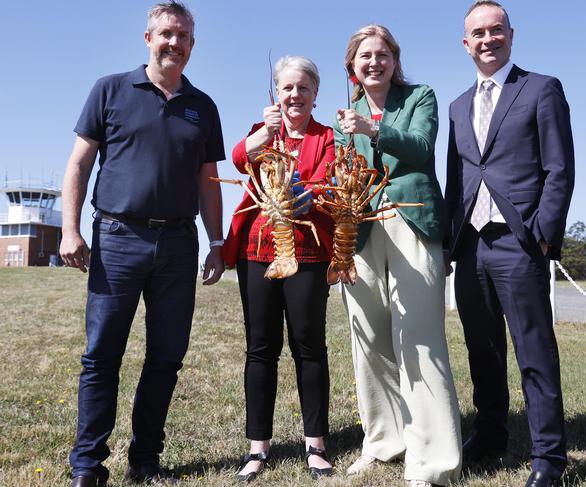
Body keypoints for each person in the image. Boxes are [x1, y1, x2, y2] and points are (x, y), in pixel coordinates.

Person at [59, 2, 226, 486]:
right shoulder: (110, 89)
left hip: (178, 244)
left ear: (193, 46)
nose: (175, 43)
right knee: (102, 354)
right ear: (148, 37)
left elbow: (208, 180)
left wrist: (215, 242)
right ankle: (88, 465)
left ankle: (146, 459)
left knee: (167, 356)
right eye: (167, 34)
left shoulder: (203, 106)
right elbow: (78, 164)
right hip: (117, 238)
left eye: (184, 37)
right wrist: (70, 230)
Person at [445, 2, 575, 486]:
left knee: (534, 351)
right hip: (470, 246)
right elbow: (454, 179)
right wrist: (447, 245)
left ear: (511, 34)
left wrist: (542, 235)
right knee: (483, 350)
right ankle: (491, 436)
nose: (487, 39)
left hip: (521, 244)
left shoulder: (541, 89)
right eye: (477, 33)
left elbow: (559, 169)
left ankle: (549, 458)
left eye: (495, 30)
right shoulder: (458, 106)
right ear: (465, 44)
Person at [335, 25, 462, 487]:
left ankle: (432, 460)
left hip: (413, 222)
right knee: (368, 341)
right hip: (362, 231)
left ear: (394, 59)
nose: (374, 62)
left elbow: (422, 147)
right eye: (365, 55)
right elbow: (342, 171)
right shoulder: (342, 115)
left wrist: (374, 129)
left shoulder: (419, 97)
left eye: (382, 54)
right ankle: (384, 442)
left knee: (419, 339)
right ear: (352, 65)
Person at [223, 55, 335, 482]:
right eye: (287, 88)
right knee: (260, 347)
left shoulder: (325, 137)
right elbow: (237, 158)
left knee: (309, 346)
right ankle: (258, 448)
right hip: (257, 251)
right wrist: (263, 135)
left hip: (308, 252)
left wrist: (306, 194)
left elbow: (325, 183)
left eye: (303, 88)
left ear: (315, 95)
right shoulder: (261, 133)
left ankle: (316, 443)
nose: (295, 95)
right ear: (276, 93)